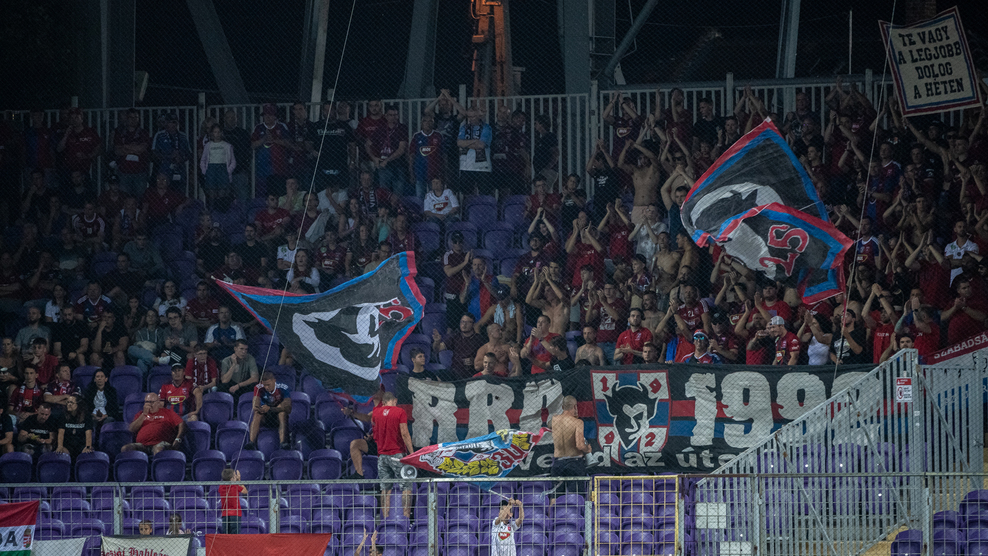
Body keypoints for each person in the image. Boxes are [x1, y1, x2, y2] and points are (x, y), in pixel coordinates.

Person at [372, 392, 413, 518]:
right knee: (406, 487)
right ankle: (406, 518)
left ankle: (385, 520)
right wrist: (412, 453)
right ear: (395, 400)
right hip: (397, 454)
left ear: (383, 402)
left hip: (382, 455)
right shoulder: (399, 412)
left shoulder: (376, 413)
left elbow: (375, 432)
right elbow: (404, 433)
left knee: (385, 489)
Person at [549, 396, 590, 497]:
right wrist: (587, 449)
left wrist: (557, 417)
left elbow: (549, 424)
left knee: (555, 496)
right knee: (576, 496)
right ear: (575, 407)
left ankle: (553, 508)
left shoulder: (554, 420)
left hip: (558, 461)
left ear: (563, 407)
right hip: (574, 461)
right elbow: (579, 445)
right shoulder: (577, 422)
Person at [247, 371, 292, 450]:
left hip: (277, 413)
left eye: (268, 384)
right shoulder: (258, 387)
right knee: (257, 413)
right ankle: (251, 442)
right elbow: (255, 405)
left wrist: (270, 409)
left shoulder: (283, 387)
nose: (266, 387)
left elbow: (288, 408)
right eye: (265, 385)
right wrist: (260, 408)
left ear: (274, 381)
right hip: (265, 415)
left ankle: (283, 442)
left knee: (282, 413)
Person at [56, 394, 93, 459]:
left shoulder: (86, 416)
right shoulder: (63, 416)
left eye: (71, 402)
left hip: (81, 445)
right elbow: (61, 432)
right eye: (68, 402)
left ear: (78, 404)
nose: (69, 404)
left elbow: (88, 433)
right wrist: (60, 447)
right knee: (60, 453)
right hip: (67, 445)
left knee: (88, 453)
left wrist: (88, 447)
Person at [219, 468, 247, 534]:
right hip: (235, 514)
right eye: (235, 475)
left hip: (225, 514)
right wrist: (239, 480)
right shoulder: (235, 486)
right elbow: (245, 491)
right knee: (235, 535)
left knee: (226, 535)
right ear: (232, 479)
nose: (236, 477)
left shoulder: (221, 487)